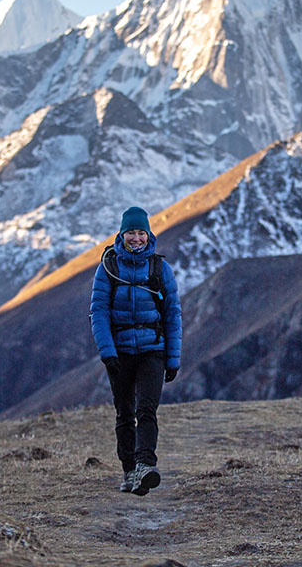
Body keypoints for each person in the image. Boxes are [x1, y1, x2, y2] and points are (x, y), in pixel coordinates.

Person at [89, 206, 182, 495]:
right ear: (122, 234)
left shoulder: (159, 268)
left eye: (142, 232)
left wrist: (173, 359)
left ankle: (145, 466)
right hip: (120, 353)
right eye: (131, 232)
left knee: (147, 410)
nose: (137, 238)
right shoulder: (108, 268)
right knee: (124, 412)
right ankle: (129, 471)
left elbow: (172, 313)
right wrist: (107, 352)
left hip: (153, 350)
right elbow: (99, 312)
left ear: (148, 234)